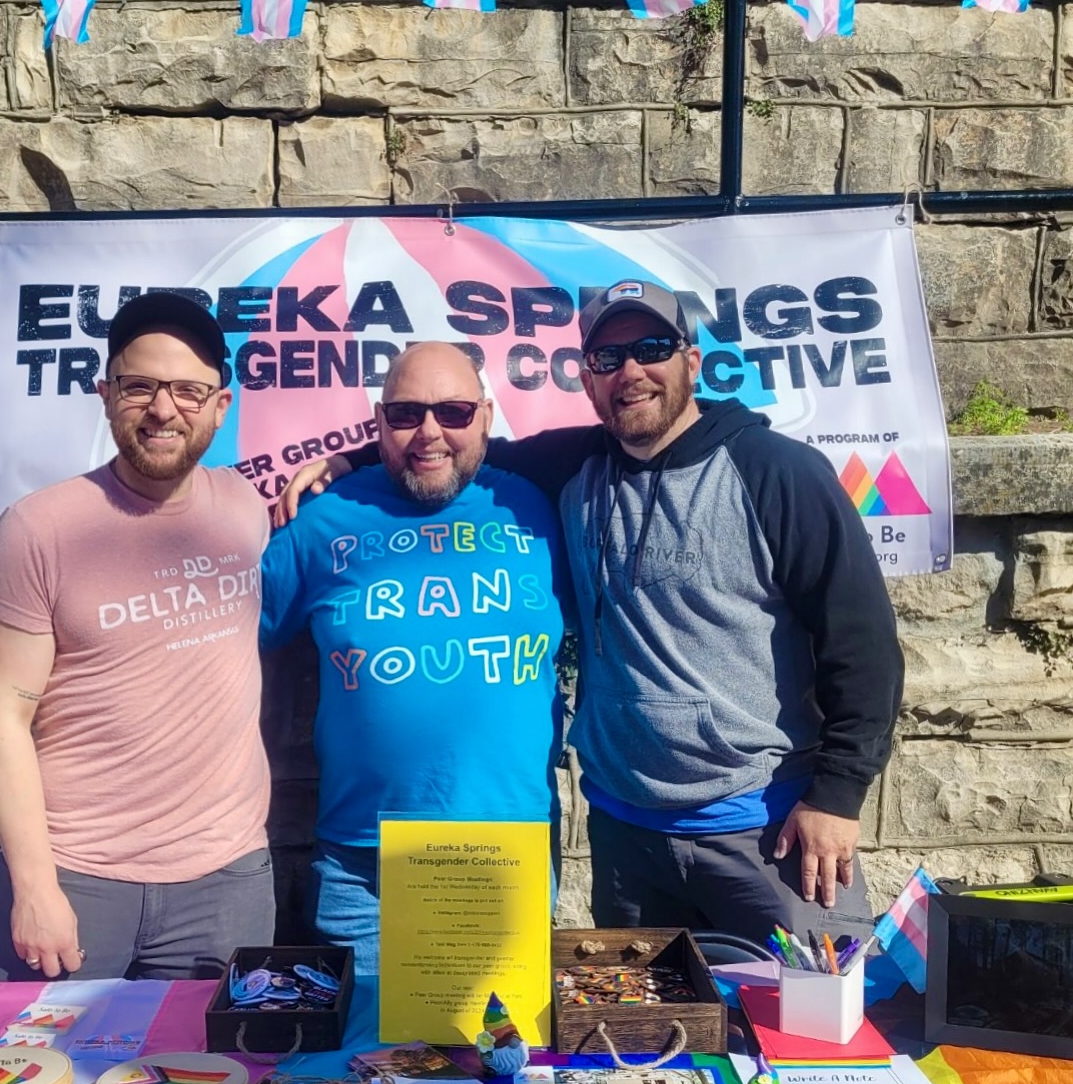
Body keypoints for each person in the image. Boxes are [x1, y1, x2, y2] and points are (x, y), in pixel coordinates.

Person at [276, 280, 903, 946]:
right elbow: (445, 447)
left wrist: (836, 795)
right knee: (639, 1045)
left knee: (809, 1040)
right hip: (627, 839)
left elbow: (862, 642)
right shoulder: (571, 467)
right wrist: (351, 459)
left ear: (691, 361)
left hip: (766, 831)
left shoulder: (776, 472)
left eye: (651, 348)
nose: (629, 371)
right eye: (607, 359)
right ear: (586, 379)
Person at [0, 291, 275, 982]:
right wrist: (35, 887)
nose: (163, 409)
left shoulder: (243, 508)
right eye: (140, 386)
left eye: (188, 391)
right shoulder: (37, 530)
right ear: (105, 394)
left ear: (220, 406)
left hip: (224, 884)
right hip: (76, 880)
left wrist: (342, 464)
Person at [260, 341, 566, 971]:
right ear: (379, 422)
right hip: (362, 867)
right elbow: (224, 646)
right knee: (367, 1065)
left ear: (485, 414)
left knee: (501, 1064)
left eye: (452, 412)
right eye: (405, 415)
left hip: (503, 855)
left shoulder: (540, 508)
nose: (429, 432)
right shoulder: (323, 519)